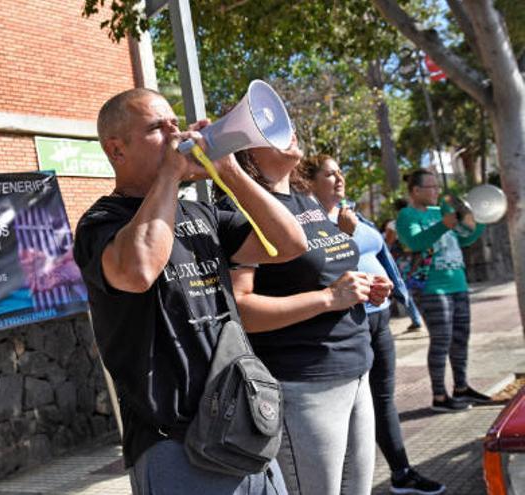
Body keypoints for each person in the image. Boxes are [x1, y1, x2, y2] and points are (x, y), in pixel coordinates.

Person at [73, 88, 307, 495]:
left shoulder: (201, 213)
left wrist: (231, 171)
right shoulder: (101, 222)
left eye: (174, 123)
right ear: (117, 150)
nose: (174, 132)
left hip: (243, 424)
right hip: (175, 444)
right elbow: (139, 270)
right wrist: (169, 174)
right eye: (156, 128)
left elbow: (291, 243)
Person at [219, 145, 392, 494]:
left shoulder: (306, 200)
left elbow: (322, 269)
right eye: (268, 130)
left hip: (355, 368)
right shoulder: (239, 210)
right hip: (303, 382)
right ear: (247, 151)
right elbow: (242, 310)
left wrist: (364, 286)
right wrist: (328, 298)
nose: (288, 134)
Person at [302, 155, 445, 495]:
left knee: (383, 398)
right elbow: (320, 268)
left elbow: (380, 253)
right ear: (309, 183)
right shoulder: (309, 222)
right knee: (355, 405)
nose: (339, 178)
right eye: (329, 174)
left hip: (378, 317)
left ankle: (400, 472)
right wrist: (340, 233)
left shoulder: (353, 213)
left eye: (341, 171)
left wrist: (397, 290)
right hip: (349, 322)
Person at [396, 169, 490, 412]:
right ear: (416, 191)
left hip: (458, 283)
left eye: (437, 186)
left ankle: (461, 388)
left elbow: (465, 239)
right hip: (431, 287)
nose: (437, 191)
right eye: (431, 187)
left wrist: (478, 223)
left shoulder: (442, 211)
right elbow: (415, 242)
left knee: (460, 338)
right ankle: (439, 396)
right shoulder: (407, 215)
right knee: (441, 340)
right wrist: (442, 226)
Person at [385, 199, 425, 331]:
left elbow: (388, 243)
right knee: (420, 286)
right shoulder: (415, 219)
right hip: (418, 258)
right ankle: (422, 318)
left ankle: (416, 319)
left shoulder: (393, 224)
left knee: (403, 289)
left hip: (401, 261)